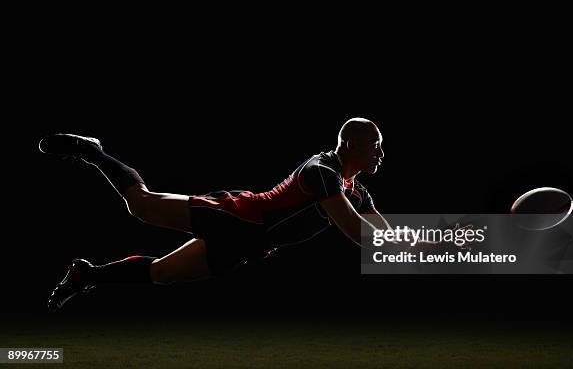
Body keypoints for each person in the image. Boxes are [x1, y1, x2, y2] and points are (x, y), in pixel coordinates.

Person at [40, 118, 391, 311]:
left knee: (162, 273)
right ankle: (93, 152)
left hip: (250, 245)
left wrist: (429, 244)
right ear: (351, 145)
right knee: (141, 205)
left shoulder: (357, 192)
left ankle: (86, 275)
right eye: (376, 146)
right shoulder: (323, 172)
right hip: (236, 217)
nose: (381, 154)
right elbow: (360, 234)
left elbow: (385, 236)